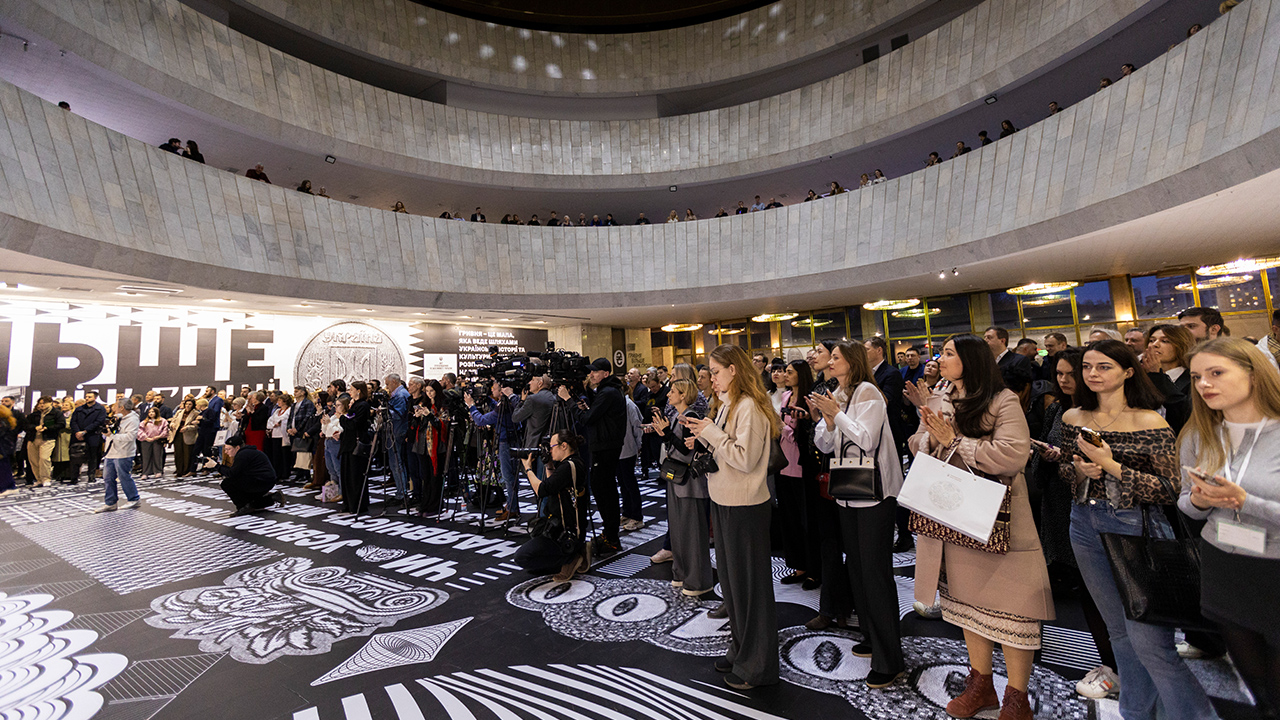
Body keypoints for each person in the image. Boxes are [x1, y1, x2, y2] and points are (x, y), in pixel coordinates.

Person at [1059, 339, 1218, 720]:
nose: (1093, 374)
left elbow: (1170, 488)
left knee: (1151, 643)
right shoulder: (1073, 417)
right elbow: (1065, 469)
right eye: (1087, 367)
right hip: (1083, 523)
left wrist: (1111, 466)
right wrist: (1079, 470)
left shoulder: (1150, 421)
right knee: (1118, 633)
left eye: (1104, 367)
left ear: (1128, 372)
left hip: (1137, 526)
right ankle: (1136, 712)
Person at [905, 334, 1052, 720]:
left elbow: (1013, 456)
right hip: (952, 518)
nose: (940, 359)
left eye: (948, 353)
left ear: (970, 359)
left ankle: (1017, 698)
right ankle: (981, 684)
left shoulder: (1002, 400)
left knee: (1013, 609)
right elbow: (917, 442)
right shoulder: (941, 396)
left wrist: (955, 441)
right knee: (967, 606)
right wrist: (929, 439)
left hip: (996, 519)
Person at [1178, 338, 1280, 719]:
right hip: (1224, 566)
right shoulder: (1198, 434)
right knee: (1257, 689)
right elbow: (1186, 504)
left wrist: (1244, 501)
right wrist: (1201, 501)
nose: (1204, 384)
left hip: (1274, 567)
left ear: (1253, 375)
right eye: (1197, 377)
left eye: (1216, 373)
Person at [681, 344, 780, 690]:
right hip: (726, 500)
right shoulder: (728, 405)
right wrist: (704, 435)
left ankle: (758, 665)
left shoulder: (748, 406)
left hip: (745, 506)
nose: (712, 379)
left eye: (716, 372)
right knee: (734, 588)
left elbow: (744, 458)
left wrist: (711, 433)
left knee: (750, 589)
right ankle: (741, 650)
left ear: (734, 370)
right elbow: (725, 450)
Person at [810, 340, 907, 689]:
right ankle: (871, 635)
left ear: (851, 361)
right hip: (848, 492)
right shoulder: (838, 393)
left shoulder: (868, 392)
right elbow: (824, 444)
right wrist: (827, 420)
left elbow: (867, 439)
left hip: (875, 494)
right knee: (857, 570)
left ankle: (889, 659)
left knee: (875, 573)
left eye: (835, 357)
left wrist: (836, 414)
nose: (829, 362)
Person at [650, 379, 712, 595]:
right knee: (678, 531)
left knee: (691, 533)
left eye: (673, 391)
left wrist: (667, 433)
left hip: (690, 483)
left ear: (684, 395)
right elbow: (675, 447)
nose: (668, 395)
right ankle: (682, 574)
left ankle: (697, 580)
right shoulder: (678, 416)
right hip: (677, 480)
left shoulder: (690, 416)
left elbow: (687, 450)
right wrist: (664, 434)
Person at [562, 358, 627, 555]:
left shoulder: (608, 392)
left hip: (605, 447)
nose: (591, 375)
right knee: (605, 490)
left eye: (595, 372)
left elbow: (588, 419)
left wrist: (568, 400)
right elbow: (597, 415)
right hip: (606, 445)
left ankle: (611, 538)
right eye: (590, 372)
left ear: (605, 374)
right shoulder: (608, 390)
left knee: (604, 491)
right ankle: (610, 535)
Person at [515, 432, 589, 579]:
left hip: (564, 532)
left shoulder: (567, 467)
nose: (549, 451)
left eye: (552, 447)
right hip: (566, 527)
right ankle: (575, 551)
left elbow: (542, 490)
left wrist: (528, 469)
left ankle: (571, 558)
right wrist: (548, 464)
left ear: (564, 446)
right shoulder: (574, 463)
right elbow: (553, 487)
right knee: (535, 567)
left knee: (523, 558)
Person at [775, 360, 821, 588]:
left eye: (790, 372)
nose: (785, 375)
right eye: (785, 371)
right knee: (789, 519)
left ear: (800, 375)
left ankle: (814, 569)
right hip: (783, 464)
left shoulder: (809, 399)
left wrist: (781, 426)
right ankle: (798, 566)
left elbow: (808, 433)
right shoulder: (785, 397)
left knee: (807, 521)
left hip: (803, 466)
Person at [466, 379, 520, 522]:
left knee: (508, 477)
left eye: (494, 388)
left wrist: (471, 406)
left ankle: (512, 509)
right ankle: (512, 505)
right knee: (512, 477)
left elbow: (481, 420)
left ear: (502, 391)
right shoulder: (509, 402)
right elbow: (497, 408)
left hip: (505, 442)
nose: (491, 391)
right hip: (512, 440)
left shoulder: (504, 406)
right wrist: (488, 400)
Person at [205, 434, 284, 516]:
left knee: (227, 483)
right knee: (249, 500)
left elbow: (232, 473)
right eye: (225, 449)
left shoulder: (242, 455)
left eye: (229, 449)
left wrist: (216, 466)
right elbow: (236, 471)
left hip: (261, 481)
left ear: (237, 448)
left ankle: (242, 507)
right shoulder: (247, 452)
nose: (226, 452)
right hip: (265, 480)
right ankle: (272, 498)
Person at [1144, 324, 1195, 433]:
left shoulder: (1193, 378)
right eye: (1152, 340)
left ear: (1181, 345)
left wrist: (1158, 377)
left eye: (1165, 341)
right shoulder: (1142, 377)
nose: (1155, 345)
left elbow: (1185, 414)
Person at [95, 397, 142, 512]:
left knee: (124, 477)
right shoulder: (118, 418)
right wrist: (108, 431)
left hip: (124, 453)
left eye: (116, 405)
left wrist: (112, 435)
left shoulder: (133, 419)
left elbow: (130, 437)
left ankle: (134, 498)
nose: (113, 408)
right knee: (108, 477)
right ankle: (110, 502)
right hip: (111, 452)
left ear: (122, 407)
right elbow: (114, 432)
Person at [339, 381, 372, 514]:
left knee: (355, 476)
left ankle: (357, 505)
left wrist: (342, 418)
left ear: (358, 391)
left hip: (356, 445)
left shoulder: (362, 406)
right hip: (348, 444)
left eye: (351, 389)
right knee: (347, 476)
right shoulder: (355, 405)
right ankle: (349, 503)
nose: (349, 391)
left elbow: (354, 424)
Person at [618, 394, 645, 531]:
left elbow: (637, 426)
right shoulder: (619, 403)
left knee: (630, 483)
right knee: (623, 483)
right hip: (618, 450)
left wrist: (638, 445)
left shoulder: (629, 405)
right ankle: (627, 512)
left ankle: (637, 516)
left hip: (628, 449)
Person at [69, 391, 107, 483]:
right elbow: (73, 421)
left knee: (92, 457)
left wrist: (85, 431)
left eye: (89, 397)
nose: (87, 398)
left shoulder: (100, 409)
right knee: (75, 457)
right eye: (86, 396)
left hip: (92, 435)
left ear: (95, 398)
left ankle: (91, 476)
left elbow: (99, 422)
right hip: (77, 436)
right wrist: (77, 432)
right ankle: (74, 477)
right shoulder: (79, 409)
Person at [169, 398, 198, 477]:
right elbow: (173, 420)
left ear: (193, 405)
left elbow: (196, 426)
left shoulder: (196, 413)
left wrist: (187, 428)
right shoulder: (179, 412)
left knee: (187, 454)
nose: (187, 406)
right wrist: (172, 424)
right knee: (178, 453)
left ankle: (186, 471)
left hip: (188, 435)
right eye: (186, 404)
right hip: (178, 434)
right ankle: (179, 471)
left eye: (190, 404)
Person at [137, 407, 169, 478]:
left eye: (153, 412)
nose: (151, 413)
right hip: (146, 441)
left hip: (157, 440)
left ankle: (158, 471)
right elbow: (140, 430)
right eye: (149, 412)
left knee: (157, 456)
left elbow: (165, 430)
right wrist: (146, 437)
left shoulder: (162, 421)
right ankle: (145, 472)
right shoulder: (144, 422)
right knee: (146, 457)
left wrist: (159, 436)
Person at [0, 403, 17, 497]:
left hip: (3, 448)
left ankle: (8, 487)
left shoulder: (3, 423)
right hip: (5, 447)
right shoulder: (7, 421)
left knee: (3, 468)